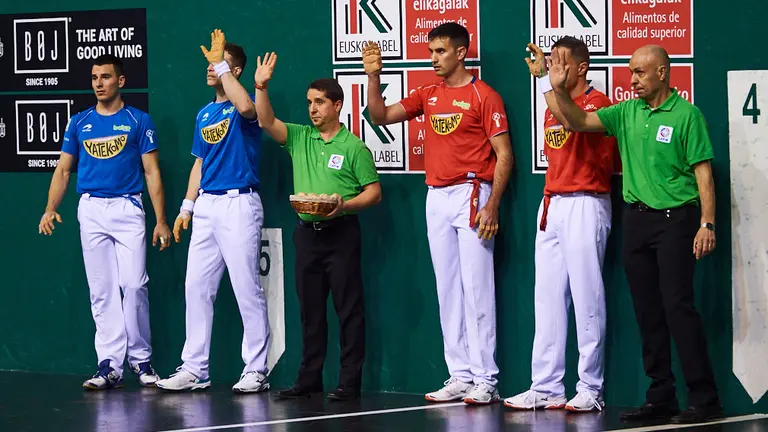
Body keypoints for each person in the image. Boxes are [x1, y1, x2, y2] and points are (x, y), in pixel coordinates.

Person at [547, 44, 722, 424]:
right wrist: (558, 88)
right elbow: (577, 122)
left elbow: (703, 173)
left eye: (640, 73)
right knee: (647, 311)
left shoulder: (687, 115)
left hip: (678, 220)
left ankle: (704, 399)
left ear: (662, 73)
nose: (633, 80)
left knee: (678, 308)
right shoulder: (626, 112)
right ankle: (661, 397)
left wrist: (707, 222)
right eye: (631, 73)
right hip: (638, 221)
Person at [362, 22, 513, 405]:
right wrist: (374, 75)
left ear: (461, 52)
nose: (433, 59)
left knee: (477, 289)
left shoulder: (485, 96)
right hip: (436, 195)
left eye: (440, 51)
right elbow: (379, 115)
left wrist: (492, 204)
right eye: (430, 52)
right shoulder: (428, 93)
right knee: (447, 289)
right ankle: (460, 374)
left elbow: (505, 155)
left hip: (471, 193)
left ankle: (486, 379)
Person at [252, 52, 381, 402]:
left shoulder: (353, 146)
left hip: (341, 234)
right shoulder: (299, 137)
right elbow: (265, 121)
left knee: (348, 311)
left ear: (337, 106)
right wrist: (260, 86)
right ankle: (309, 379)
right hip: (306, 235)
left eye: (320, 102)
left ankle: (348, 383)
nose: (312, 109)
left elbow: (374, 192)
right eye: (309, 102)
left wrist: (344, 206)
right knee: (310, 311)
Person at [38, 54, 169, 390]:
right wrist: (51, 207)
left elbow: (152, 173)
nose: (99, 83)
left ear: (120, 81)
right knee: (102, 291)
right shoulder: (79, 122)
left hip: (128, 208)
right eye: (95, 77)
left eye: (106, 77)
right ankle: (110, 364)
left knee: (135, 284)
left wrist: (161, 221)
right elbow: (64, 170)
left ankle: (141, 359)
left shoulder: (139, 120)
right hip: (92, 209)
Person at [154, 29, 271, 394]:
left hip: (240, 203)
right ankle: (194, 368)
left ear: (233, 71)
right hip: (207, 205)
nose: (210, 69)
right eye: (209, 64)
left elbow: (247, 108)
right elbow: (199, 163)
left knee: (245, 287)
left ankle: (256, 370)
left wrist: (222, 65)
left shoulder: (246, 105)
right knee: (196, 286)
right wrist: (186, 207)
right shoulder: (204, 113)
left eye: (218, 65)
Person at [503, 38, 617, 412]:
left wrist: (547, 85)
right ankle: (547, 386)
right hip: (551, 203)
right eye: (550, 63)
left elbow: (574, 120)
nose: (553, 69)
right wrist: (544, 81)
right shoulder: (554, 99)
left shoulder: (599, 104)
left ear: (581, 68)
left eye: (560, 63)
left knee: (588, 299)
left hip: (587, 202)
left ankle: (590, 387)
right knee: (547, 299)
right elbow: (559, 109)